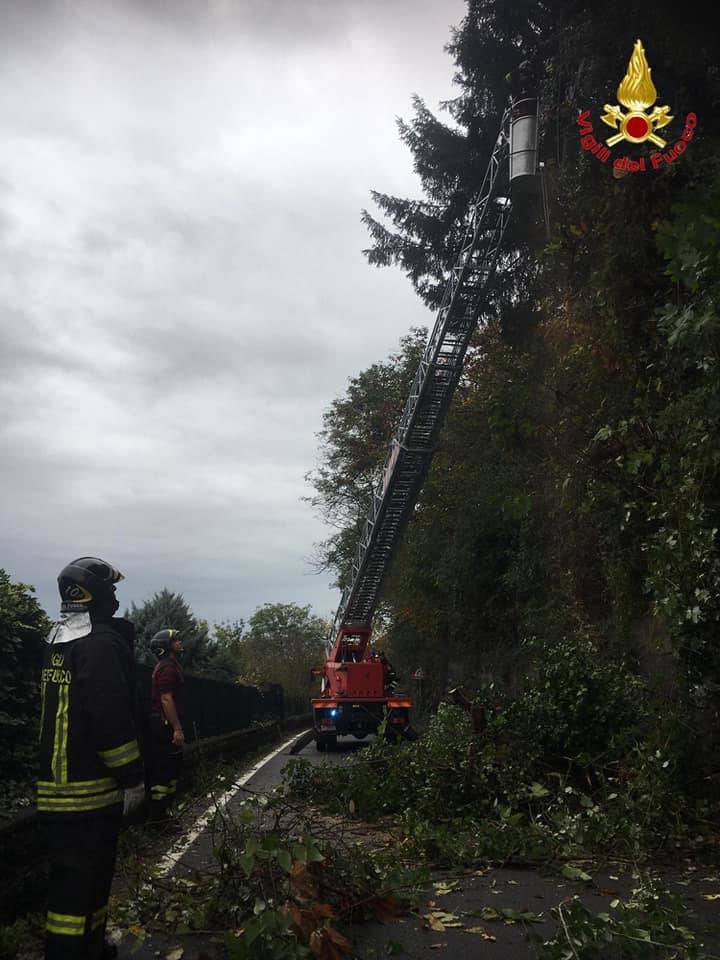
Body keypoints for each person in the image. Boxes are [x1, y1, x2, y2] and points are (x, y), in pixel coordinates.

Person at [38, 557, 145, 960]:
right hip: (88, 793)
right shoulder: (99, 645)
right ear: (91, 592)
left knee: (82, 886)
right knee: (80, 890)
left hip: (57, 789)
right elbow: (110, 715)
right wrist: (132, 777)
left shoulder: (58, 640)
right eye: (111, 589)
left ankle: (90, 948)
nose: (115, 595)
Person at [148, 629, 185, 826]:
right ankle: (158, 819)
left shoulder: (170, 666)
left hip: (164, 725)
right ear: (166, 646)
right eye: (175, 640)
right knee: (164, 772)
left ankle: (165, 814)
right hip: (164, 727)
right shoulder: (168, 669)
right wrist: (177, 728)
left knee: (172, 771)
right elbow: (166, 698)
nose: (179, 642)